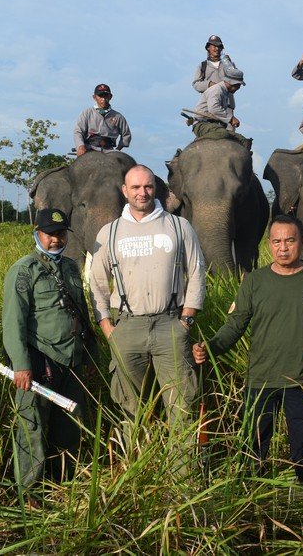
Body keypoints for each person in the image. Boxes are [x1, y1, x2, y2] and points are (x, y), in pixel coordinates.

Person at [193, 214, 303, 484]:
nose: (283, 248)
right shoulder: (255, 281)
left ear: (302, 242)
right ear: (269, 244)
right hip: (261, 378)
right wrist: (210, 347)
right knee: (254, 443)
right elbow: (235, 325)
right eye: (276, 242)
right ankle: (251, 493)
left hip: (302, 378)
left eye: (290, 241)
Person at [89, 165, 206, 430]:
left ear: (155, 189)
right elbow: (97, 283)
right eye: (135, 187)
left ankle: (182, 459)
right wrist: (108, 328)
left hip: (170, 325)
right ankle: (135, 455)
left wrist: (186, 321)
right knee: (130, 409)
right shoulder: (110, 232)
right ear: (124, 191)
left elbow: (197, 273)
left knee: (182, 407)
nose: (142, 193)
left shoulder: (178, 226)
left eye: (148, 186)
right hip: (126, 328)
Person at [2, 208, 97, 504]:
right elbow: (13, 322)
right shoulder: (24, 270)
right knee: (32, 429)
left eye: (61, 234)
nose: (56, 239)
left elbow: (82, 314)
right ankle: (29, 495)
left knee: (68, 428)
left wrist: (90, 356)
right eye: (50, 234)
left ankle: (62, 487)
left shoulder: (70, 267)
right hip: (38, 363)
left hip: (71, 362)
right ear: (37, 234)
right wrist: (21, 366)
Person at [191, 65, 252, 150]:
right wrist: (231, 118)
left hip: (215, 126)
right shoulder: (216, 90)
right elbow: (214, 109)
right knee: (223, 134)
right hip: (202, 124)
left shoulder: (225, 91)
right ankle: (198, 142)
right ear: (232, 83)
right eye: (238, 85)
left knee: (244, 141)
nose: (238, 88)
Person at [73, 83, 132, 157]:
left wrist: (118, 149)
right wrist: (80, 146)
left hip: (110, 151)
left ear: (110, 97)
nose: (103, 99)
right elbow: (78, 131)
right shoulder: (87, 113)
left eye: (106, 96)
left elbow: (126, 134)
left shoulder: (118, 116)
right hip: (89, 149)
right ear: (94, 97)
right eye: (100, 96)